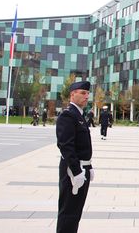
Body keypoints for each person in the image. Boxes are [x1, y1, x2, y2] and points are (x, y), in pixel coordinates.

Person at [56, 80, 94, 233]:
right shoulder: (68, 115)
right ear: (73, 94)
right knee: (68, 212)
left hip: (81, 167)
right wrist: (76, 171)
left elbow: (82, 146)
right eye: (83, 93)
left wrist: (88, 166)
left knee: (75, 212)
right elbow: (66, 145)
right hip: (73, 170)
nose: (87, 97)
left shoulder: (79, 115)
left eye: (88, 94)